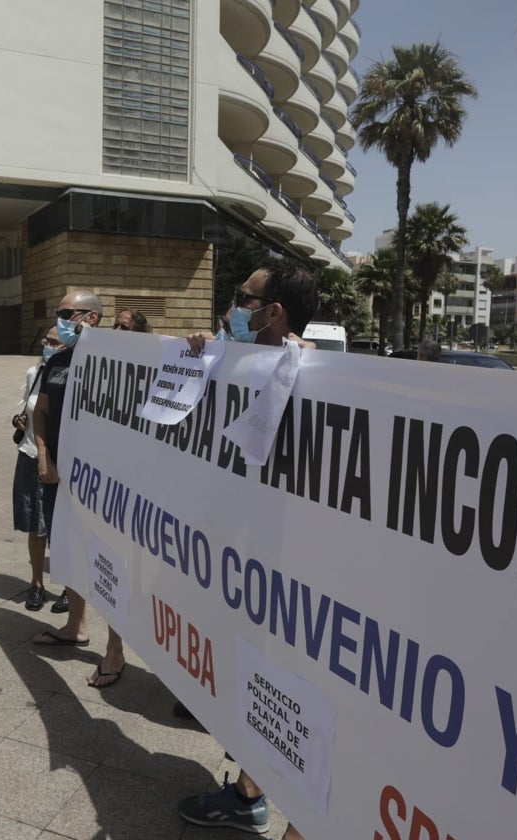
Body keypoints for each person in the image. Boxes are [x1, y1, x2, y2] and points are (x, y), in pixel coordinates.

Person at [180, 259, 319, 840]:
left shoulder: (319, 375)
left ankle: (280, 806)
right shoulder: (246, 361)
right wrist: (208, 354)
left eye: (245, 298)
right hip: (249, 568)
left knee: (290, 696)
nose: (236, 305)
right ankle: (248, 791)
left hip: (293, 577)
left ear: (274, 311)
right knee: (257, 687)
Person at [30, 291, 127, 688]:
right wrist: (42, 455)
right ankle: (76, 626)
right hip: (59, 477)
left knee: (107, 564)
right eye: (59, 314)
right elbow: (41, 412)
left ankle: (115, 650)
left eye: (68, 314)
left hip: (102, 485)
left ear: (92, 317)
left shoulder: (118, 362)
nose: (62, 320)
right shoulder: (57, 361)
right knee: (68, 550)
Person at [12, 326, 63, 611]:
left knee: (61, 528)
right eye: (46, 340)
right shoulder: (35, 374)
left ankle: (70, 589)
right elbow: (29, 410)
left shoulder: (72, 377)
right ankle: (36, 585)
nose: (47, 345)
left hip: (60, 462)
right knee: (35, 526)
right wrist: (20, 420)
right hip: (30, 455)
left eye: (54, 342)